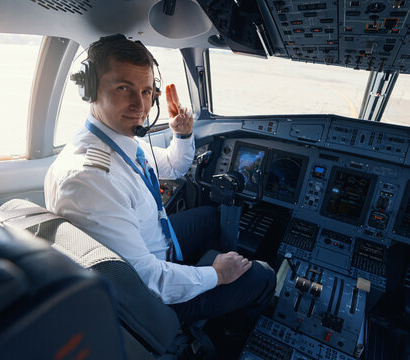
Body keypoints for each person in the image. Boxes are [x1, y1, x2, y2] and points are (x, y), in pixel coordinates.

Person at [44, 35, 275, 323]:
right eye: (123, 88)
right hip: (146, 299)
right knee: (263, 275)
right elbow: (147, 281)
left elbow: (173, 167)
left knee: (209, 216)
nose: (140, 107)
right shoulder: (91, 178)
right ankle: (233, 331)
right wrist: (217, 274)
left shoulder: (118, 141)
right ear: (90, 90)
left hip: (154, 246)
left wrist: (182, 133)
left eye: (145, 92)